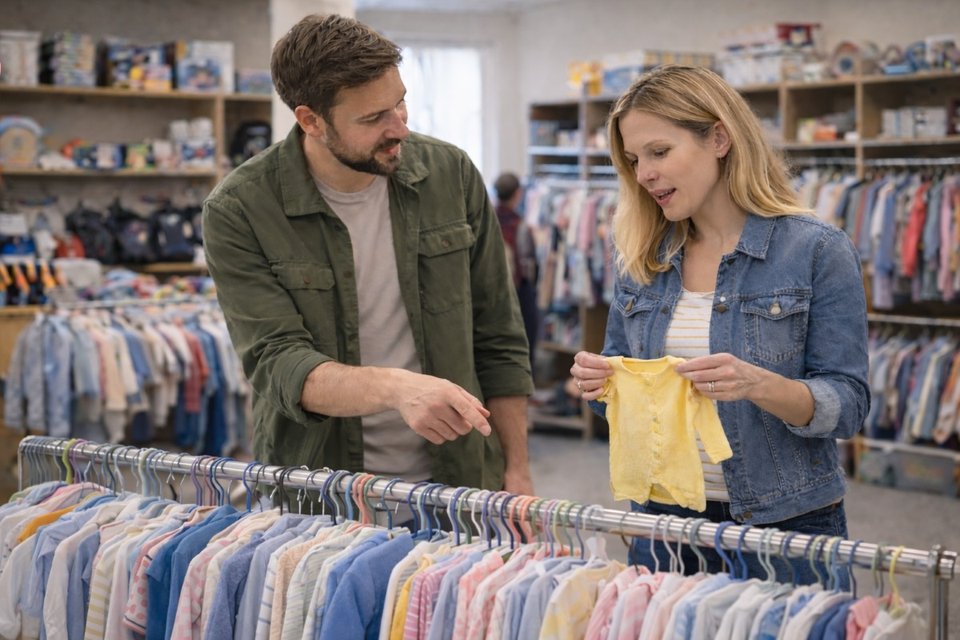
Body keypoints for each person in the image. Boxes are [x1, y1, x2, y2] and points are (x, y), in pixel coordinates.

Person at [202, 14, 534, 496]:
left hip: (459, 483)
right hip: (320, 491)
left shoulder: (450, 173)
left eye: (400, 104)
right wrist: (399, 389)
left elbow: (498, 333)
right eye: (373, 118)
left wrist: (517, 471)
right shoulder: (240, 209)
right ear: (311, 120)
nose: (398, 127)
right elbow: (280, 366)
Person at [569, 64, 869, 584]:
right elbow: (620, 390)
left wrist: (761, 385)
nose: (644, 175)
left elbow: (848, 406)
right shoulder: (643, 257)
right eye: (635, 160)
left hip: (785, 524)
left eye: (659, 152)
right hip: (663, 523)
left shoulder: (815, 250)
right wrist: (601, 384)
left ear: (720, 138)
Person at [493, 172, 539, 371]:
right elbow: (528, 264)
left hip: (492, 291)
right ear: (518, 193)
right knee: (525, 337)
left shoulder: (487, 218)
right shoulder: (520, 226)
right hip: (518, 292)